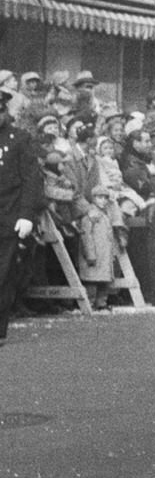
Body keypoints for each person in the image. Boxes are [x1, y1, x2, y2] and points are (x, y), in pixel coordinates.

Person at [0, 75, 45, 344]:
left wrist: (26, 215)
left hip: (7, 215)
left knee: (2, 274)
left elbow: (31, 178)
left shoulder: (19, 139)